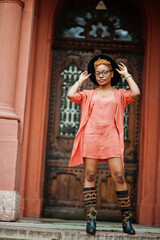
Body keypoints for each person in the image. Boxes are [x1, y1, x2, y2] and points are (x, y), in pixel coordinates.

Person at [67, 54, 140, 235]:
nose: (100, 76)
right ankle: (91, 219)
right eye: (97, 73)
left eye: (104, 72)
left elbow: (136, 93)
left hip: (111, 138)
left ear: (111, 75)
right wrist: (79, 81)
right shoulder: (88, 94)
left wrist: (127, 75)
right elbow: (70, 95)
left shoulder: (120, 94)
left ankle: (126, 220)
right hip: (91, 137)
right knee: (90, 175)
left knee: (119, 177)